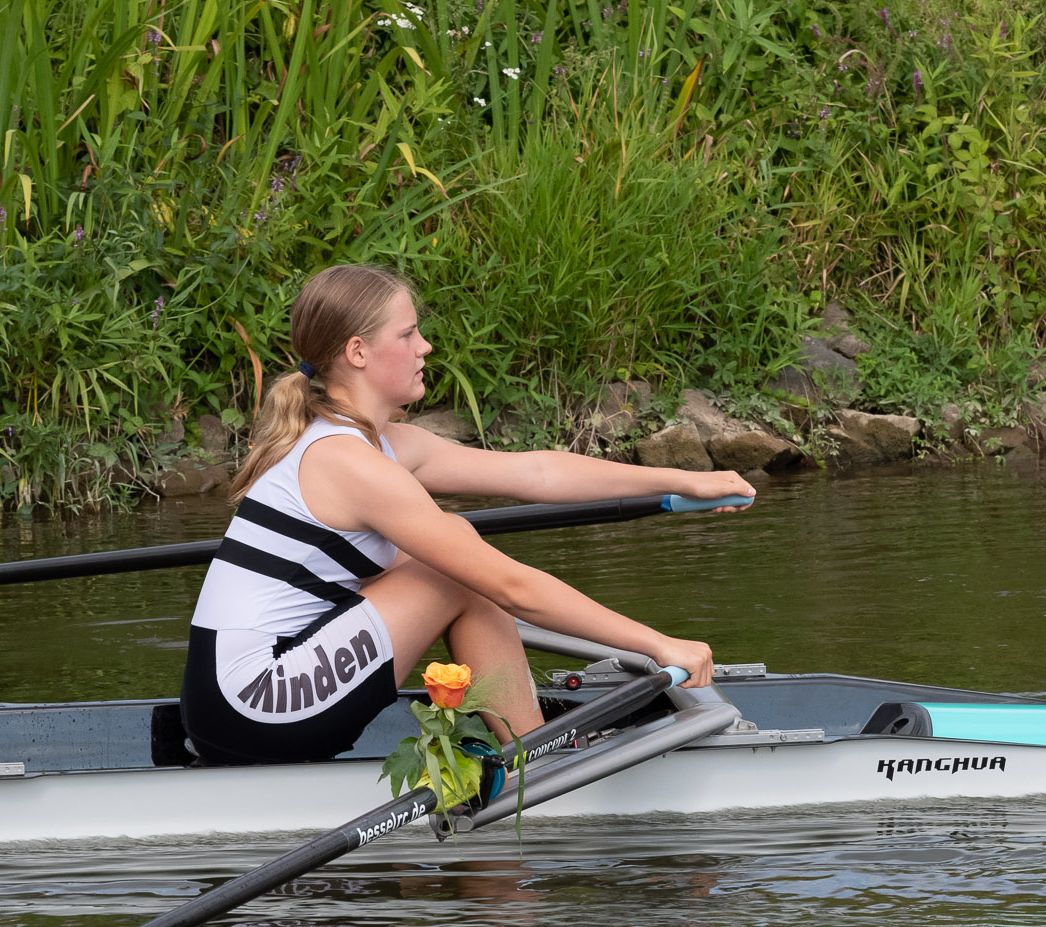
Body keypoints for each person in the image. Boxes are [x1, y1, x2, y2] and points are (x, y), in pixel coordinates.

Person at [177, 264, 752, 766]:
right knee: (457, 563)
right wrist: (659, 644)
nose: (425, 346)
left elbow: (536, 474)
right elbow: (511, 587)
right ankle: (535, 753)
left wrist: (683, 479)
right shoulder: (345, 461)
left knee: (443, 556)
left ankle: (528, 737)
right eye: (408, 334)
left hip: (239, 699)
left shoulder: (379, 443)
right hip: (253, 705)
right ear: (357, 352)